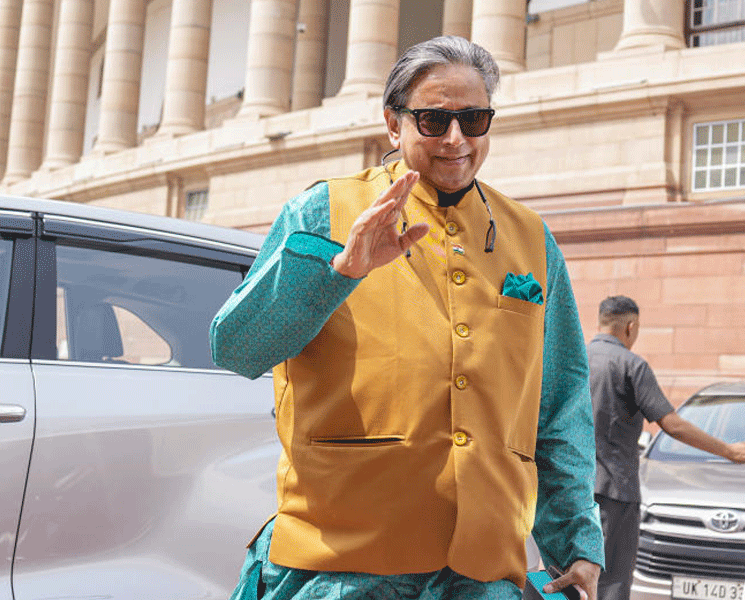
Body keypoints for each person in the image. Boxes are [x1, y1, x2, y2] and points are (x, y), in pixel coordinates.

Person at [210, 35, 604, 600]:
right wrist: (338, 272)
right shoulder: (325, 212)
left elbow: (560, 406)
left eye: (474, 119)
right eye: (433, 120)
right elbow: (236, 349)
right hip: (341, 569)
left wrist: (577, 545)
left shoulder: (531, 239)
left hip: (482, 572)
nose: (456, 139)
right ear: (393, 124)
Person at [588, 296, 745, 600]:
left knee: (567, 577)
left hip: (569, 491)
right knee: (610, 582)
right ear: (630, 327)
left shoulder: (575, 359)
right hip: (613, 494)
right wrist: (730, 451)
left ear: (601, 321)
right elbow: (672, 425)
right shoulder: (631, 365)